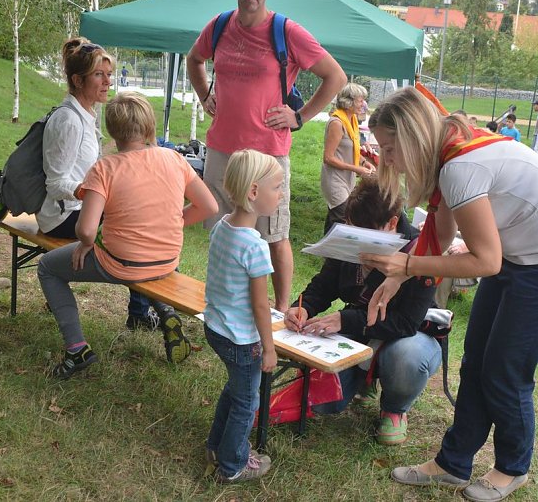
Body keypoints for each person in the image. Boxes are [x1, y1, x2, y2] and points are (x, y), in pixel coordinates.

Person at [363, 87, 538, 502]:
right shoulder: (449, 148)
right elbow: (444, 231)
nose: (388, 160)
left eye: (391, 148)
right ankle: (452, 465)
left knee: (505, 370)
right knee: (477, 362)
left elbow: (485, 261)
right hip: (519, 256)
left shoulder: (458, 166)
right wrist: (397, 277)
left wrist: (409, 266)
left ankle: (512, 468)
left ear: (415, 138)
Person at [186, 0, 346, 312]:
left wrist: (299, 117)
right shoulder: (220, 25)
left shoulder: (286, 31)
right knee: (222, 231)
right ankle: (226, 300)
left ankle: (279, 308)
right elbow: (195, 59)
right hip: (223, 148)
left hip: (266, 153)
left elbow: (335, 77)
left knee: (274, 234)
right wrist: (204, 95)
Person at [37, 92, 218, 378]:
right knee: (136, 261)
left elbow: (85, 229)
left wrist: (87, 244)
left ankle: (77, 348)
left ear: (111, 129)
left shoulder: (104, 168)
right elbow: (209, 205)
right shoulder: (174, 159)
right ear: (148, 126)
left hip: (121, 264)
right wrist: (171, 224)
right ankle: (166, 312)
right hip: (167, 261)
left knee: (47, 267)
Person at [284, 178, 440, 446]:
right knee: (324, 404)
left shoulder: (420, 253)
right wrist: (303, 307)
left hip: (409, 336)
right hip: (361, 331)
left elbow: (406, 323)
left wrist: (346, 319)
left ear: (392, 223)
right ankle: (363, 380)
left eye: (366, 235)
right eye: (352, 232)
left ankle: (394, 408)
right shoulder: (351, 235)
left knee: (406, 356)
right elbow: (326, 282)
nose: (357, 242)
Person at [39, 38, 164, 335]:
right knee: (135, 231)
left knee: (139, 224)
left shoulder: (87, 115)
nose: (108, 81)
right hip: (60, 215)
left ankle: (150, 309)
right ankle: (148, 311)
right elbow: (55, 183)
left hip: (82, 208)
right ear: (78, 80)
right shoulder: (68, 121)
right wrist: (90, 192)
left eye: (109, 74)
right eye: (100, 75)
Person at [203, 149, 282, 483]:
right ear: (253, 192)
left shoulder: (222, 226)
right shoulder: (254, 245)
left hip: (216, 328)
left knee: (237, 391)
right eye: (277, 187)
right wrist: (269, 347)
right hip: (241, 339)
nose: (280, 194)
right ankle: (232, 465)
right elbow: (260, 305)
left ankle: (215, 446)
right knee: (247, 402)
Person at [320, 83, 375, 233]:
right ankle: (335, 255)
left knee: (335, 220)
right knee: (344, 220)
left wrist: (364, 162)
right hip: (335, 180)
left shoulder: (352, 119)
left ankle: (325, 253)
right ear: (348, 102)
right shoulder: (337, 122)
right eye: (360, 100)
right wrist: (357, 168)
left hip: (347, 179)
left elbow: (353, 150)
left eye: (364, 100)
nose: (363, 104)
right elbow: (328, 158)